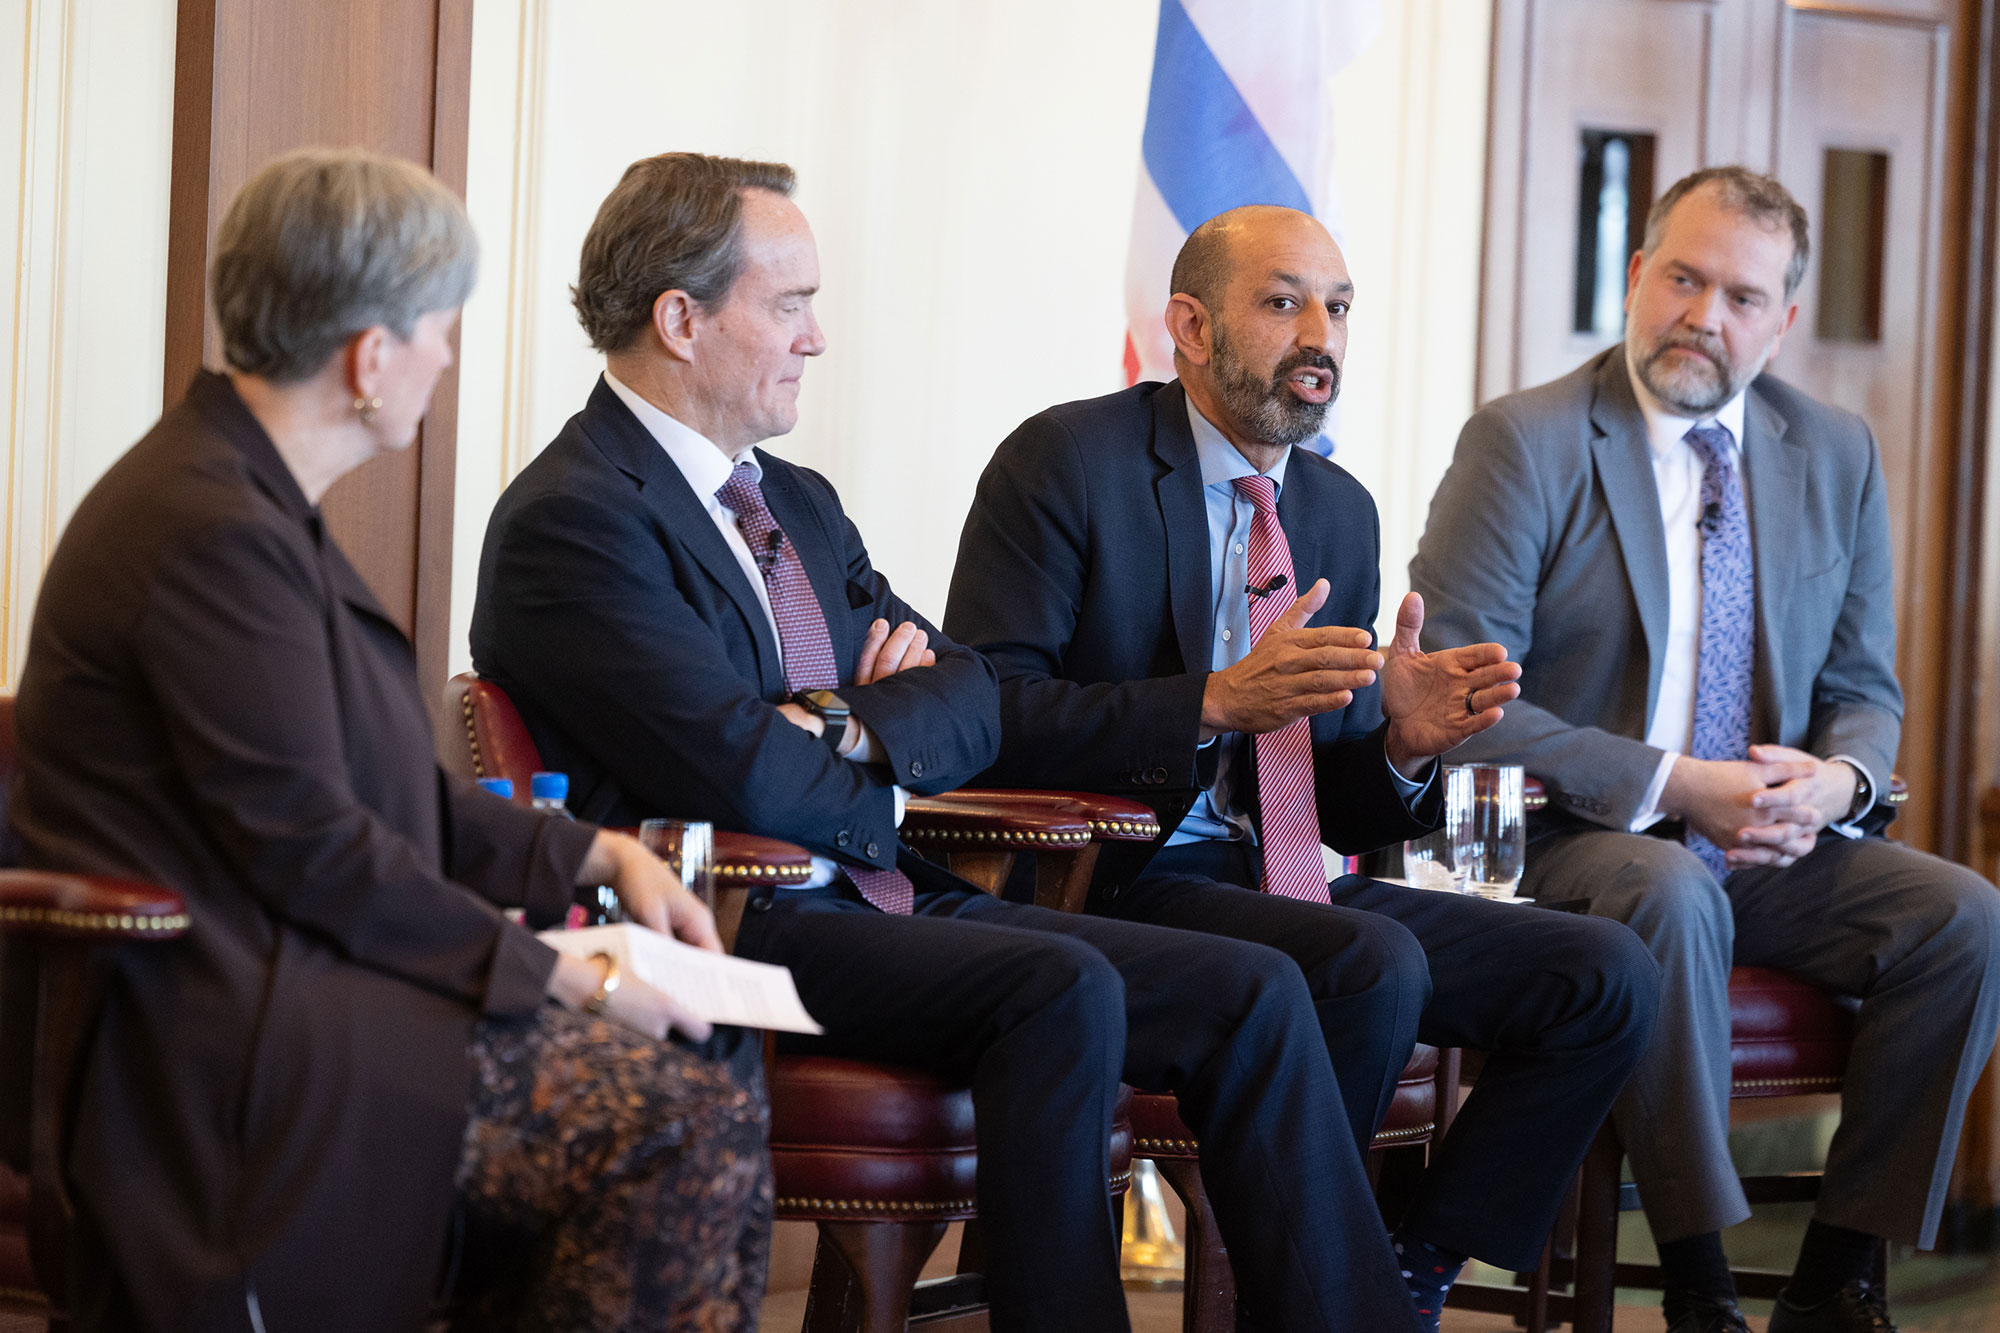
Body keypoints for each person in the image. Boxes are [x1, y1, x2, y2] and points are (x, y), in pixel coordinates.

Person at [471, 151, 1440, 1332]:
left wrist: (836, 721)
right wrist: (872, 735)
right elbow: (738, 770)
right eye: (790, 305)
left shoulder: (798, 501)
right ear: (680, 319)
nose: (816, 338)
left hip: (880, 889)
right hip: (731, 914)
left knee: (1257, 989)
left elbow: (972, 693)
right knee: (1063, 983)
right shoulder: (574, 518)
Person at [11, 150, 770, 1333]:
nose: (447, 360)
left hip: (306, 990)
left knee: (709, 1061)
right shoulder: (211, 530)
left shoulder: (244, 503)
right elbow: (314, 849)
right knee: (679, 1111)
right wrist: (562, 972)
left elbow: (387, 803)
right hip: (230, 1035)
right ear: (371, 357)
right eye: (439, 330)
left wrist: (594, 858)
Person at [945, 202, 1662, 1333]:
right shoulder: (1065, 462)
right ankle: (1311, 1302)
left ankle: (1403, 1262)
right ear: (1188, 324)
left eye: (1335, 305)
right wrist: (1208, 701)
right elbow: (984, 709)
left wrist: (1400, 745)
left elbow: (1324, 793)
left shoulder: (1335, 510)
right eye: (1281, 302)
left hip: (1283, 877)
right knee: (1365, 962)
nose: (1317, 332)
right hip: (1117, 875)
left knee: (1602, 973)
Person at [1411, 165, 2000, 1333]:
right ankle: (1699, 1287)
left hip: (1773, 837)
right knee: (1670, 887)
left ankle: (1839, 1277)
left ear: (1780, 319)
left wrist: (1836, 779)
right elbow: (1457, 703)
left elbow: (1861, 688)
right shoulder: (1524, 441)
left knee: (1962, 916)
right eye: (1680, 278)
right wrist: (1674, 784)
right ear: (1634, 277)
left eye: (1739, 295)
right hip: (1568, 835)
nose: (1702, 315)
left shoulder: (1831, 450)